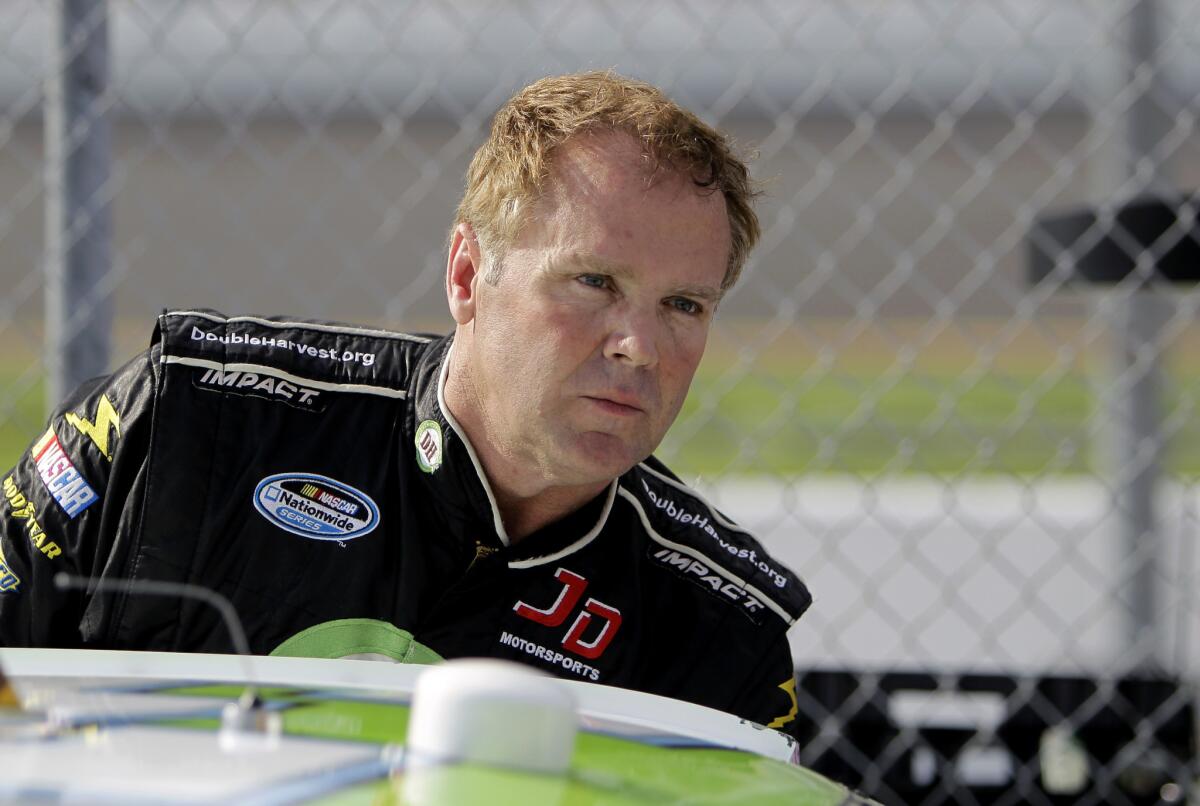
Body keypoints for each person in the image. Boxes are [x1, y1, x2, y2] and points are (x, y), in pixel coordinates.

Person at [0, 71, 811, 733]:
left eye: (684, 306)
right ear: (467, 276)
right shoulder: (185, 422)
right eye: (594, 282)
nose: (638, 345)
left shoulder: (719, 627)